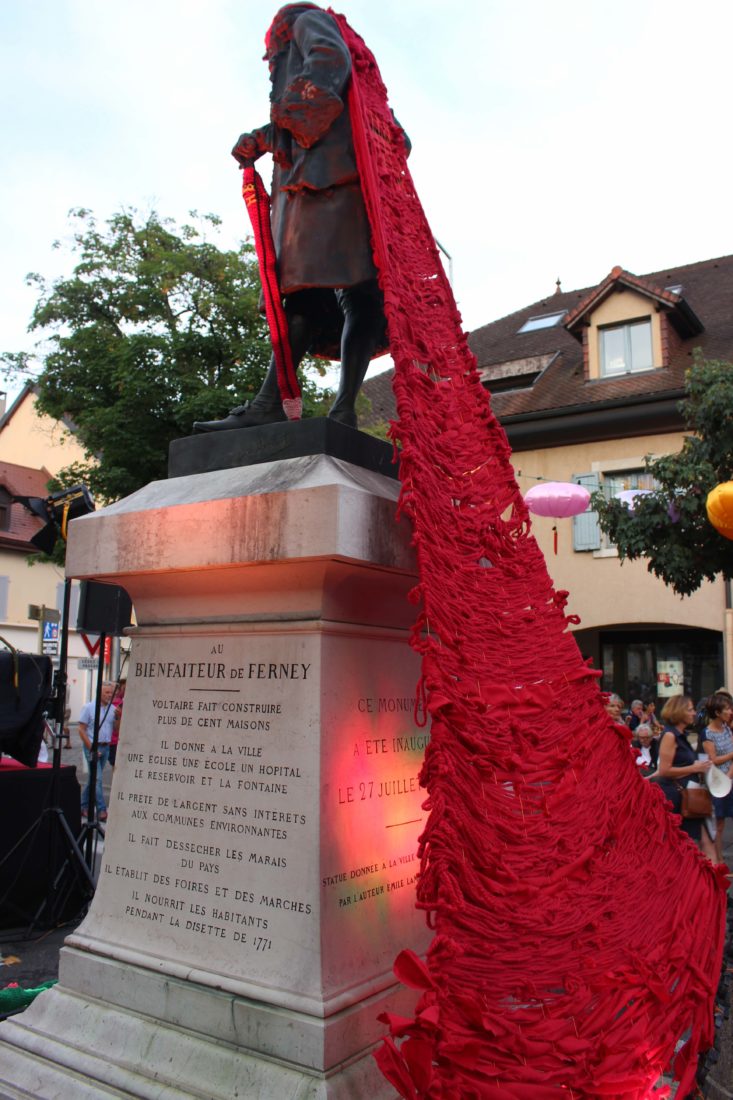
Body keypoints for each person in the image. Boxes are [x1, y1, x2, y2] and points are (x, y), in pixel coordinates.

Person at [194, 3, 408, 435]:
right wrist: (266, 137)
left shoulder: (302, 20)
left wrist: (278, 127)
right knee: (359, 295)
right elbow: (337, 108)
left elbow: (328, 67)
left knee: (311, 293)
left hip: (324, 184)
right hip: (346, 182)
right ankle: (339, 409)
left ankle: (271, 403)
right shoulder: (334, 42)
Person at [655, 694, 716, 861]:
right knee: (693, 843)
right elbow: (664, 770)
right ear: (679, 712)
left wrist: (698, 767)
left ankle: (708, 882)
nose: (694, 713)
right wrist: (694, 767)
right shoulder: (670, 735)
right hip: (678, 796)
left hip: (687, 793)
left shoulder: (680, 735)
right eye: (690, 709)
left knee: (703, 840)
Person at [78, 682, 117, 822]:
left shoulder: (112, 709)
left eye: (111, 693)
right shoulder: (89, 707)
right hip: (93, 746)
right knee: (98, 778)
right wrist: (91, 748)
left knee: (93, 779)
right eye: (107, 693)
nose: (109, 695)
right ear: (99, 693)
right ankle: (101, 809)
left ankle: (83, 806)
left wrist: (118, 717)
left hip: (106, 746)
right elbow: (81, 729)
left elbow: (117, 729)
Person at [701, 692, 733, 864]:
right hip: (717, 783)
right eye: (727, 709)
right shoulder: (707, 734)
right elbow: (713, 759)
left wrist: (730, 774)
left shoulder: (728, 728)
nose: (730, 711)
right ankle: (718, 860)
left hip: (729, 778)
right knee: (718, 824)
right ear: (718, 712)